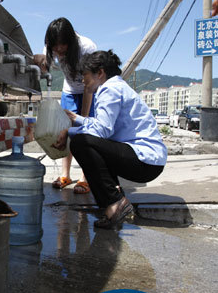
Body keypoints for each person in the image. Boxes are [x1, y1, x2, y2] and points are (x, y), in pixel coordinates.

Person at [52, 50, 167, 229]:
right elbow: (104, 126)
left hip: (145, 160)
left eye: (85, 75)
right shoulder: (117, 87)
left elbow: (102, 130)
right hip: (148, 160)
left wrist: (69, 132)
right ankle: (114, 199)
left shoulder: (109, 89)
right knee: (90, 143)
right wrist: (76, 119)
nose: (83, 81)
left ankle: (115, 203)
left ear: (100, 73)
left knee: (81, 142)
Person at [33, 17, 97, 194]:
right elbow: (46, 67)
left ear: (70, 40)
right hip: (68, 91)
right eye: (55, 47)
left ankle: (85, 178)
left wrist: (82, 118)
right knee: (64, 132)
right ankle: (65, 175)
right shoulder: (50, 46)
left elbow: (88, 86)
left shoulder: (86, 47)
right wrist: (38, 62)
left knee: (85, 134)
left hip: (89, 91)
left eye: (62, 47)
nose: (58, 51)